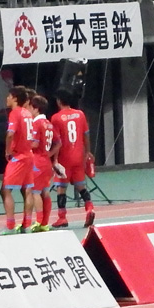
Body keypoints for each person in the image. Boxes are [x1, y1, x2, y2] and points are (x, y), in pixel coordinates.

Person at [50, 89, 95, 228]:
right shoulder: (80, 114)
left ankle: (62, 217)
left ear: (59, 101)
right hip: (78, 156)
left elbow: (57, 141)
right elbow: (86, 134)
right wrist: (87, 151)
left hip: (64, 157)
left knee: (61, 188)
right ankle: (89, 208)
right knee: (81, 185)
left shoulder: (56, 118)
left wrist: (54, 160)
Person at [0, 86, 34, 234]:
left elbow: (10, 133)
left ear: (15, 98)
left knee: (5, 190)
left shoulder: (15, 112)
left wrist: (7, 151)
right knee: (27, 190)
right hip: (29, 155)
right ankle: (27, 225)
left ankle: (10, 226)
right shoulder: (28, 113)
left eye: (9, 96)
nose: (7, 98)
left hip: (19, 157)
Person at [29, 95, 61, 232]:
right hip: (46, 162)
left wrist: (22, 146)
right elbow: (58, 143)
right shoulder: (48, 123)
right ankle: (44, 223)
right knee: (45, 192)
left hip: (37, 161)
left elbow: (35, 144)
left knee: (35, 192)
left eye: (30, 107)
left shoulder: (36, 123)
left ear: (35, 108)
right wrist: (49, 154)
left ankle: (38, 221)